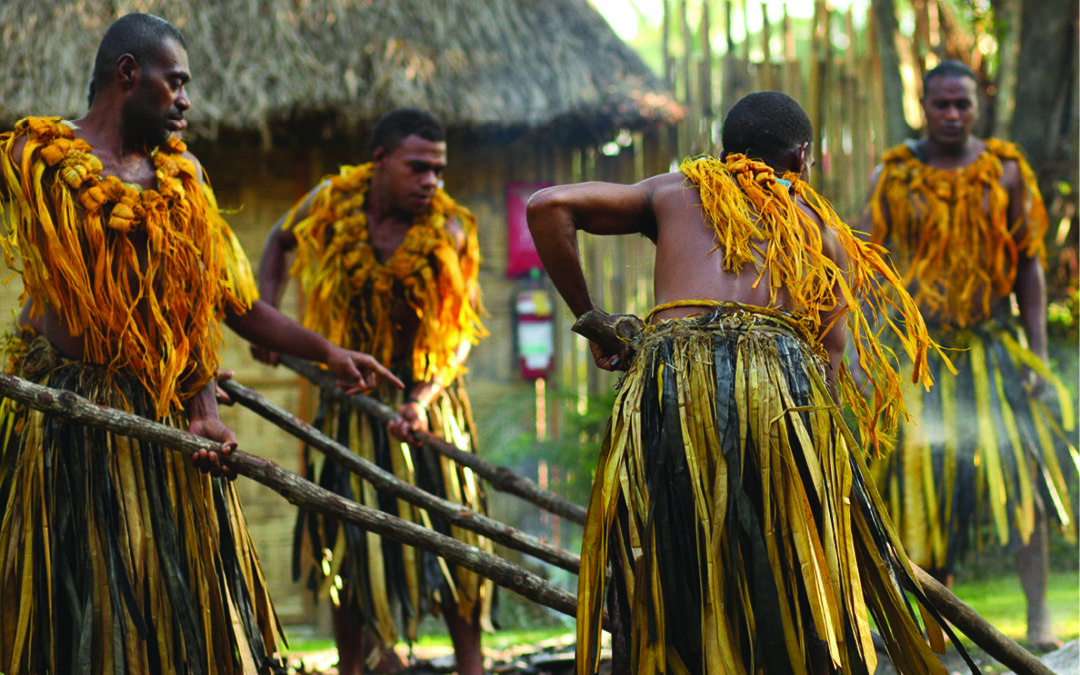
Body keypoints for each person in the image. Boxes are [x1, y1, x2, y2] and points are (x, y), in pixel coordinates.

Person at [0, 13, 400, 674]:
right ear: (130, 75)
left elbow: (228, 304)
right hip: (65, 420)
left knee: (176, 608)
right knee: (75, 617)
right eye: (175, 82)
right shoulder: (36, 159)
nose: (186, 99)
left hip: (164, 418)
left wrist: (317, 355)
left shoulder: (187, 183)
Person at [526, 91, 972, 675]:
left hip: (672, 373)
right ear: (802, 156)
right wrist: (826, 464)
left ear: (726, 149)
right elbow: (834, 350)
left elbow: (547, 204)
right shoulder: (818, 226)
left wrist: (596, 322)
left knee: (672, 549)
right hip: (778, 377)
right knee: (792, 552)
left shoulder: (674, 189)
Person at [255, 107, 492, 675]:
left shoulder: (451, 229)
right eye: (418, 167)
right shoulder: (329, 203)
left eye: (438, 169)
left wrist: (421, 400)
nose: (431, 181)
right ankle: (355, 666)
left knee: (459, 545)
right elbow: (278, 241)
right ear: (380, 160)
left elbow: (462, 335)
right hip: (349, 403)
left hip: (429, 405)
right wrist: (266, 313)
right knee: (347, 543)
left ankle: (471, 664)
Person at [858, 60, 1076, 650]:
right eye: (941, 105)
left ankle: (1038, 622)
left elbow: (1028, 264)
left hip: (992, 347)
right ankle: (932, 628)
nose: (952, 115)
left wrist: (1037, 354)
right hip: (919, 354)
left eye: (963, 106)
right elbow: (867, 267)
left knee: (1023, 477)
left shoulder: (1004, 171)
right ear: (922, 106)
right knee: (924, 484)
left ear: (978, 108)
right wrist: (866, 350)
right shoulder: (894, 175)